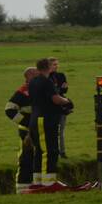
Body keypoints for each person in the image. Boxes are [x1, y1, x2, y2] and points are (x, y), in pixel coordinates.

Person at [28, 58, 72, 186]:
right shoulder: (46, 82)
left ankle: (38, 181)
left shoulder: (32, 82)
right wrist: (67, 101)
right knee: (50, 150)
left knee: (39, 151)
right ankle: (49, 182)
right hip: (46, 119)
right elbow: (56, 99)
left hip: (34, 119)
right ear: (48, 67)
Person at [5, 67, 38, 193]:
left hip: (38, 129)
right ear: (28, 77)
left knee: (39, 158)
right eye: (35, 75)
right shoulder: (22, 92)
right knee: (26, 158)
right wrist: (27, 122)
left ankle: (36, 185)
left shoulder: (38, 89)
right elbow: (9, 110)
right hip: (26, 131)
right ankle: (22, 188)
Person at [49, 58, 69, 156]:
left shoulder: (61, 75)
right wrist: (59, 90)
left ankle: (62, 152)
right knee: (53, 131)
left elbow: (64, 90)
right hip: (50, 108)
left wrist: (60, 90)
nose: (56, 66)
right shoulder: (45, 78)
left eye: (57, 64)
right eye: (54, 64)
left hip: (61, 106)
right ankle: (53, 152)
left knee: (61, 131)